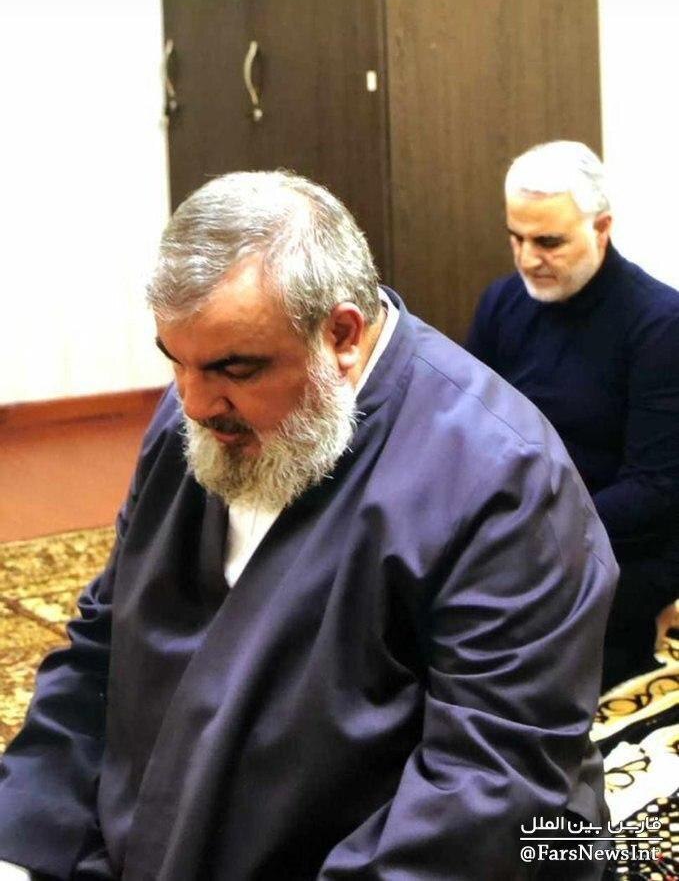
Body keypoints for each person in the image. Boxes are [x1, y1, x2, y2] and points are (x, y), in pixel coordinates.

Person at [0, 171, 616, 880]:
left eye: (234, 368)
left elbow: (491, 783)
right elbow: (105, 648)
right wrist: (22, 840)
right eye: (176, 362)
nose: (194, 403)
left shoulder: (501, 477)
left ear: (342, 335)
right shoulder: (197, 422)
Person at [466, 140, 679, 691]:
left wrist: (531, 531)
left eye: (548, 242)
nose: (526, 258)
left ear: (601, 228)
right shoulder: (502, 303)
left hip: (619, 548)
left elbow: (655, 490)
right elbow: (464, 431)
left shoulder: (659, 323)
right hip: (517, 533)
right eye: (516, 238)